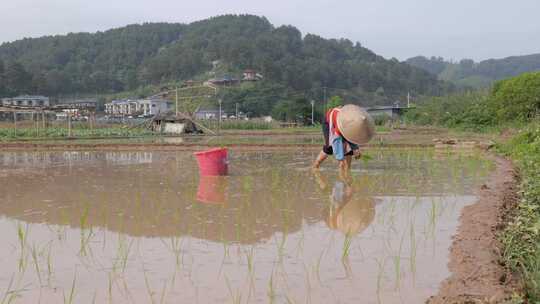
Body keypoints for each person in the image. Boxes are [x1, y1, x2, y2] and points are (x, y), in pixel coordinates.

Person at [312, 106, 361, 170]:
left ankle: (347, 170)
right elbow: (340, 133)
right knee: (329, 147)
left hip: (341, 128)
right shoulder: (342, 119)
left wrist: (355, 148)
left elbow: (351, 135)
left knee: (349, 149)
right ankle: (315, 167)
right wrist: (355, 148)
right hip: (329, 123)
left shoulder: (353, 121)